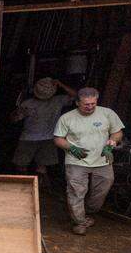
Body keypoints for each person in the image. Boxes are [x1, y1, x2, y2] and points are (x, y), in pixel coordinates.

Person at [53, 87, 124, 236]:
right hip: (76, 161)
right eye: (86, 104)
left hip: (103, 160)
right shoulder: (67, 118)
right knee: (76, 191)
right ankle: (78, 222)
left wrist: (112, 143)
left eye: (93, 103)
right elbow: (58, 139)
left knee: (102, 190)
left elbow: (117, 132)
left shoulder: (107, 113)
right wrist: (71, 148)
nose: (90, 107)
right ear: (77, 102)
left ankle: (87, 211)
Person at [11, 77, 75, 175]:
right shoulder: (58, 101)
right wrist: (60, 84)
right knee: (37, 168)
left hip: (35, 139)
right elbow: (77, 96)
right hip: (39, 139)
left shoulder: (57, 100)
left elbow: (13, 120)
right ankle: (39, 187)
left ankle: (32, 187)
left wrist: (18, 113)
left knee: (26, 167)